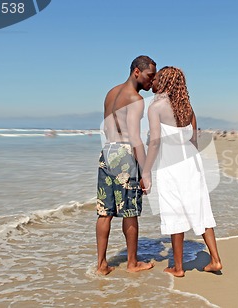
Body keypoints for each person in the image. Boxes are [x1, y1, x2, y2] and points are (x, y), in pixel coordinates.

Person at [141, 66, 222, 277]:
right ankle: (215, 259)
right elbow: (194, 140)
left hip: (171, 166)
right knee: (201, 211)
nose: (154, 81)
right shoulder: (188, 107)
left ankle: (178, 267)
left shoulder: (155, 107)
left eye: (157, 78)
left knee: (175, 213)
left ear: (165, 82)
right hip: (192, 164)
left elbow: (155, 143)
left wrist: (146, 172)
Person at [95, 55, 156, 275]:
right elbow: (135, 138)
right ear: (136, 72)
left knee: (105, 212)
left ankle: (101, 264)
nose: (152, 81)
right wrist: (146, 172)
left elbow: (105, 128)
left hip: (107, 152)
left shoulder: (111, 93)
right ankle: (132, 263)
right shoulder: (136, 99)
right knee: (130, 212)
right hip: (124, 155)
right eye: (150, 76)